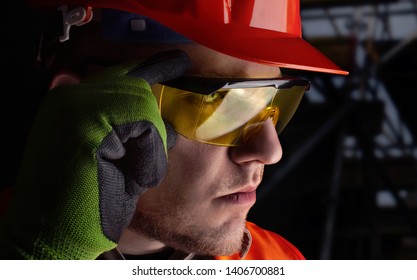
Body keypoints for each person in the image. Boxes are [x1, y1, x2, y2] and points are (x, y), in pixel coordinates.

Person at [0, 0, 348, 260]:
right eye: (221, 104)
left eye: (277, 104)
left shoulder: (278, 261)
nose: (271, 151)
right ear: (75, 102)